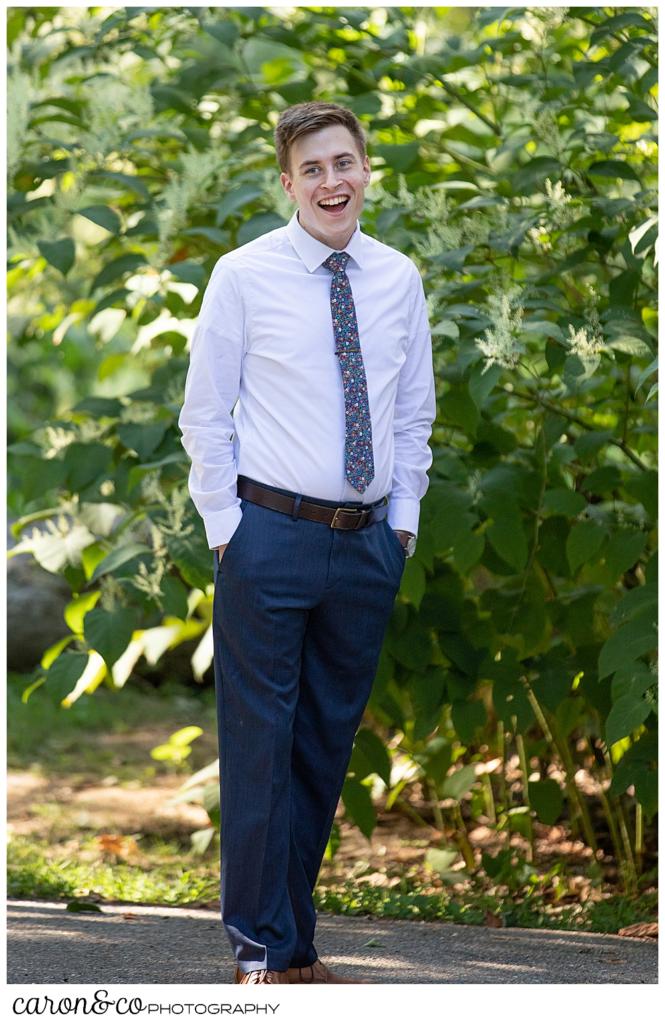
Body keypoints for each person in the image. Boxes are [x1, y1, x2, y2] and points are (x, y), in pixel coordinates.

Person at [178, 101, 436, 985]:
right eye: (313, 169)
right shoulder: (243, 276)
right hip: (269, 537)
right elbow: (205, 415)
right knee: (260, 748)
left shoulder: (398, 277)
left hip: (365, 547)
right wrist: (227, 532)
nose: (332, 181)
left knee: (323, 750)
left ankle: (295, 945)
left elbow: (411, 412)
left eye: (345, 163)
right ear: (288, 184)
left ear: (367, 171)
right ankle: (260, 950)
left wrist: (402, 521)